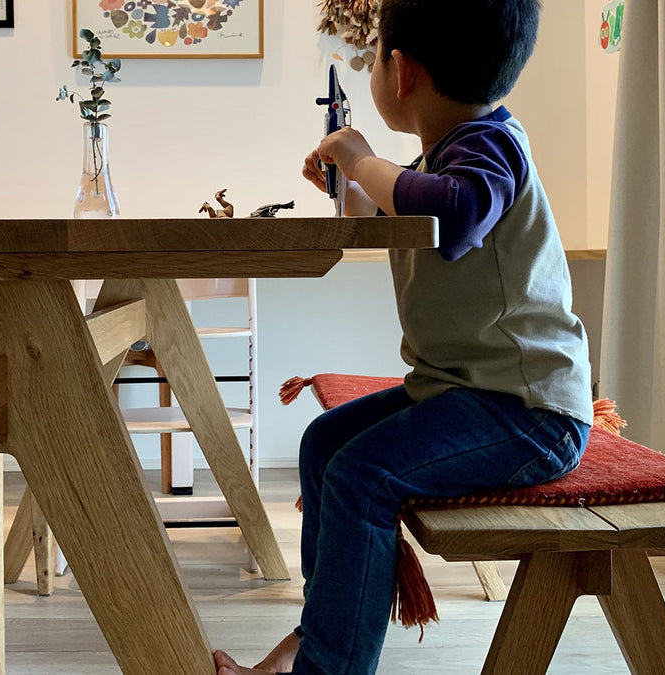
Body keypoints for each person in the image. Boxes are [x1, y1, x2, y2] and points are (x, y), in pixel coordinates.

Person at [215, 1, 593, 673]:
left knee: (362, 472)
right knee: (324, 441)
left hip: (529, 413)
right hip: (462, 392)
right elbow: (413, 219)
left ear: (403, 70)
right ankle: (322, 630)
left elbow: (454, 213)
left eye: (375, 56)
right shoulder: (443, 158)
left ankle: (328, 664)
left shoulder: (490, 146)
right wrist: (356, 191)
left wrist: (363, 160)